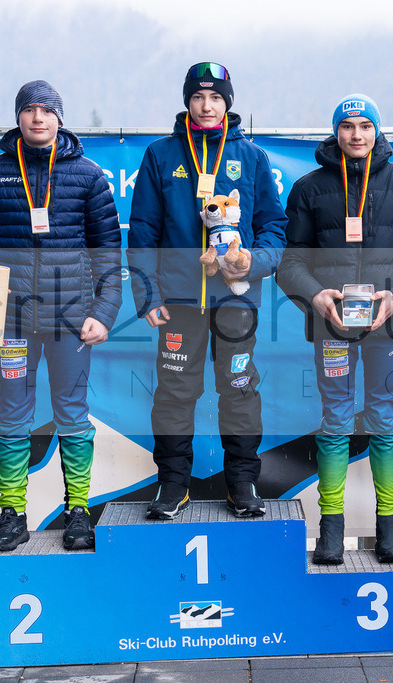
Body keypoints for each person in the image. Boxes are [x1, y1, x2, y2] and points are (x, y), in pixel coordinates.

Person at [0, 80, 122, 552]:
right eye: (28, 109)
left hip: (71, 317)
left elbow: (109, 251)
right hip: (7, 315)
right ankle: (12, 514)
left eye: (46, 109)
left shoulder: (88, 175)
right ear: (18, 117)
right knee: (12, 416)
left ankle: (79, 512)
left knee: (72, 413)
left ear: (60, 118)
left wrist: (105, 311)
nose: (37, 117)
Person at [277, 93, 393, 564]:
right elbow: (291, 264)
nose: (356, 135)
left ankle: (390, 530)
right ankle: (331, 529)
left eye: (364, 126)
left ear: (376, 131)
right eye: (347, 127)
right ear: (336, 132)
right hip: (333, 327)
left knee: (384, 419)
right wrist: (317, 296)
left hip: (387, 325)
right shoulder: (309, 188)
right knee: (334, 421)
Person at [127, 62, 287, 520]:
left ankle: (242, 483)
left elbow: (274, 229)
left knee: (238, 388)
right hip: (178, 302)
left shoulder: (252, 157)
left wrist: (251, 262)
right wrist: (147, 295)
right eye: (198, 97)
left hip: (237, 299)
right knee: (174, 394)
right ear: (187, 102)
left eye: (216, 97)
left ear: (228, 103)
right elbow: (142, 233)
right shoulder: (161, 155)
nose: (207, 104)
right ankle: (173, 486)